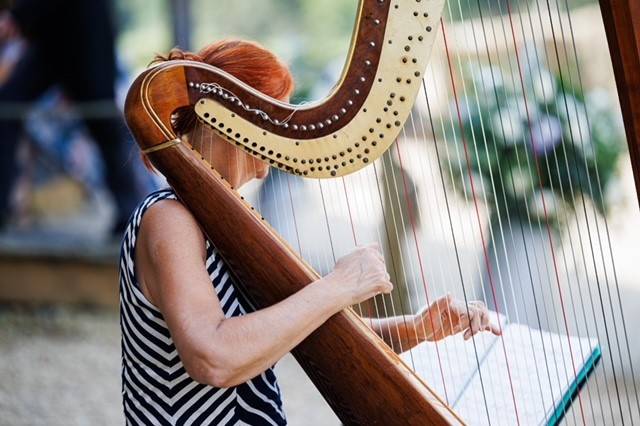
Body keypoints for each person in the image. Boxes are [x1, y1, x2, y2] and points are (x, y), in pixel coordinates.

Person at [120, 39, 501, 425]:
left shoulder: (220, 223)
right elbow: (212, 358)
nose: (266, 166)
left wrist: (417, 328)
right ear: (230, 125)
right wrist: (338, 285)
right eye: (267, 138)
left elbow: (305, 329)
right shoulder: (168, 219)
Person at [0, 0, 149, 232]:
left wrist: (19, 16)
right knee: (7, 107)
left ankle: (130, 213)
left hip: (85, 36)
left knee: (103, 122)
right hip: (53, 38)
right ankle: (3, 206)